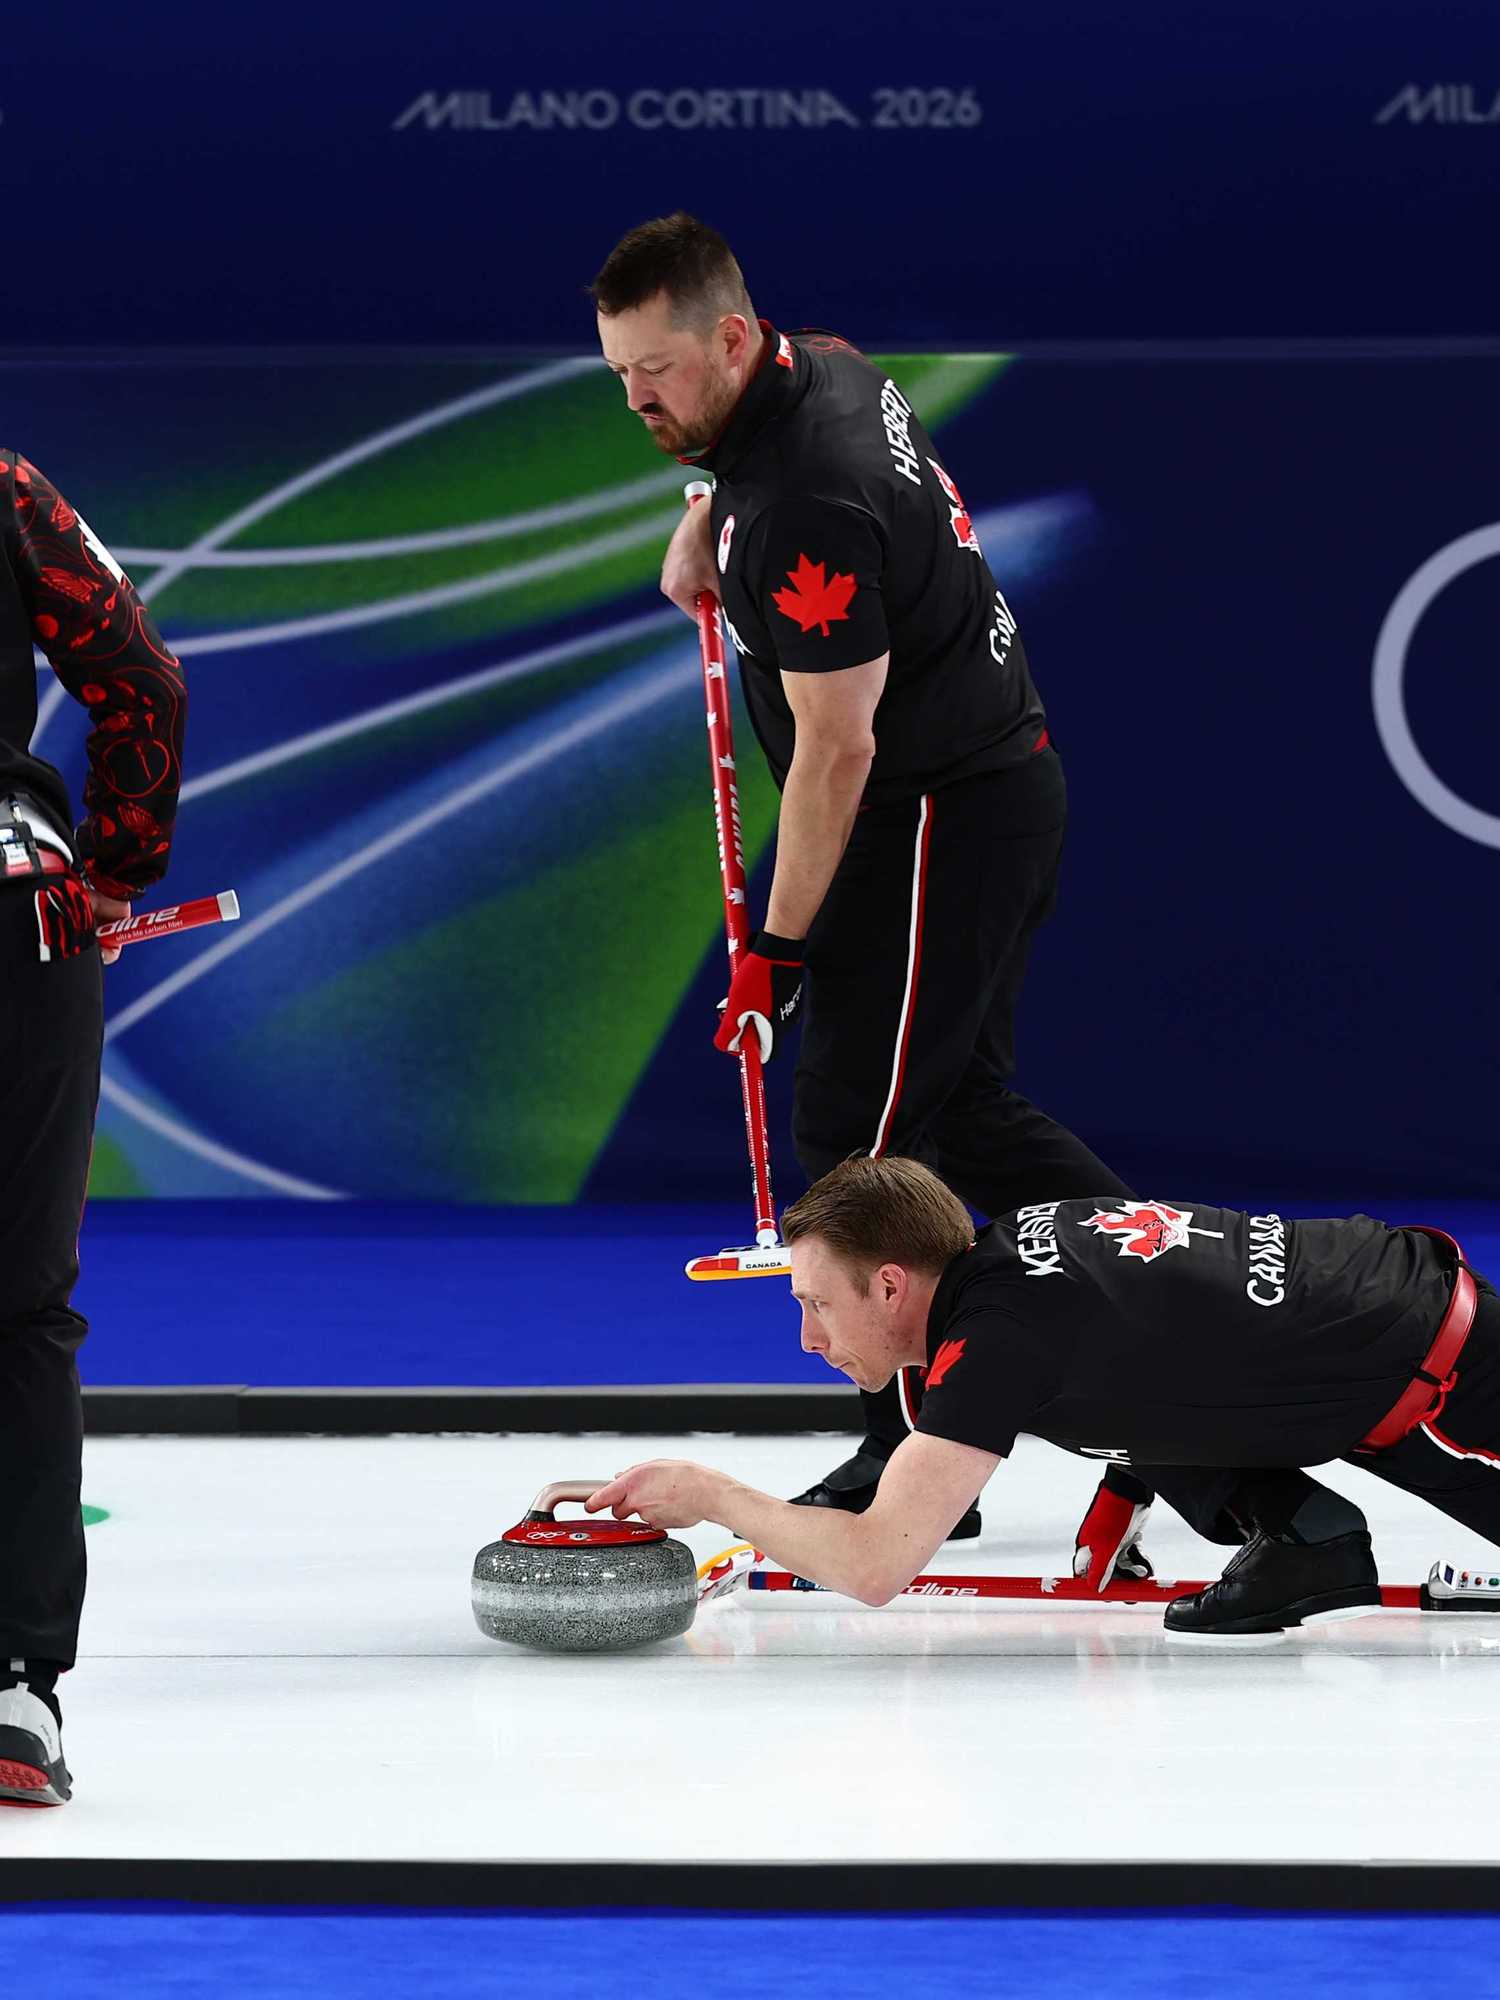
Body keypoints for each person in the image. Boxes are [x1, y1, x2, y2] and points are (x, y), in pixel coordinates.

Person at [590, 212, 1123, 1533]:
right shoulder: (813, 363)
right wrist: (704, 510)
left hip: (937, 813)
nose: (638, 399)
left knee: (856, 1144)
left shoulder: (809, 503)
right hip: (979, 792)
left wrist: (773, 948)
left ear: (727, 337)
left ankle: (911, 1465)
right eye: (617, 377)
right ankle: (1168, 1295)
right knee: (965, 1116)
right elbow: (756, 474)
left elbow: (835, 753)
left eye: (657, 370)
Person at [586, 1156, 1500, 1640]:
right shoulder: (1019, 1248)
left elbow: (875, 1566)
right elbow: (1163, 1356)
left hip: (1448, 1383)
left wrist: (713, 1497)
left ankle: (1311, 1536)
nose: (810, 1340)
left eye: (818, 1304)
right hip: (1400, 1325)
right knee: (1088, 1404)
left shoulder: (994, 1345)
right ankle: (1308, 1540)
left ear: (894, 1286)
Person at [0, 451, 186, 1804]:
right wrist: (113, 870)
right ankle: (16, 1698)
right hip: (21, 912)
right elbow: (142, 678)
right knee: (17, 1312)